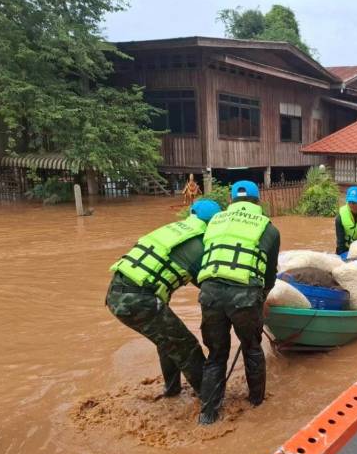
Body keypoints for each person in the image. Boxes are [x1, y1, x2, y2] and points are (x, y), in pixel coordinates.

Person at [106, 198, 222, 398]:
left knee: (167, 341)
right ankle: (211, 400)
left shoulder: (172, 230)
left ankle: (172, 390)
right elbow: (209, 288)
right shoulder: (198, 244)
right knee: (187, 347)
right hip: (140, 300)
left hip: (116, 293)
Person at [196, 181, 280, 425]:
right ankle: (256, 404)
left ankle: (208, 414)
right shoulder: (268, 228)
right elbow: (270, 273)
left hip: (210, 292)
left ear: (231, 201)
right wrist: (261, 297)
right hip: (244, 295)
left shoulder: (214, 221)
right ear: (257, 201)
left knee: (215, 354)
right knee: (252, 348)